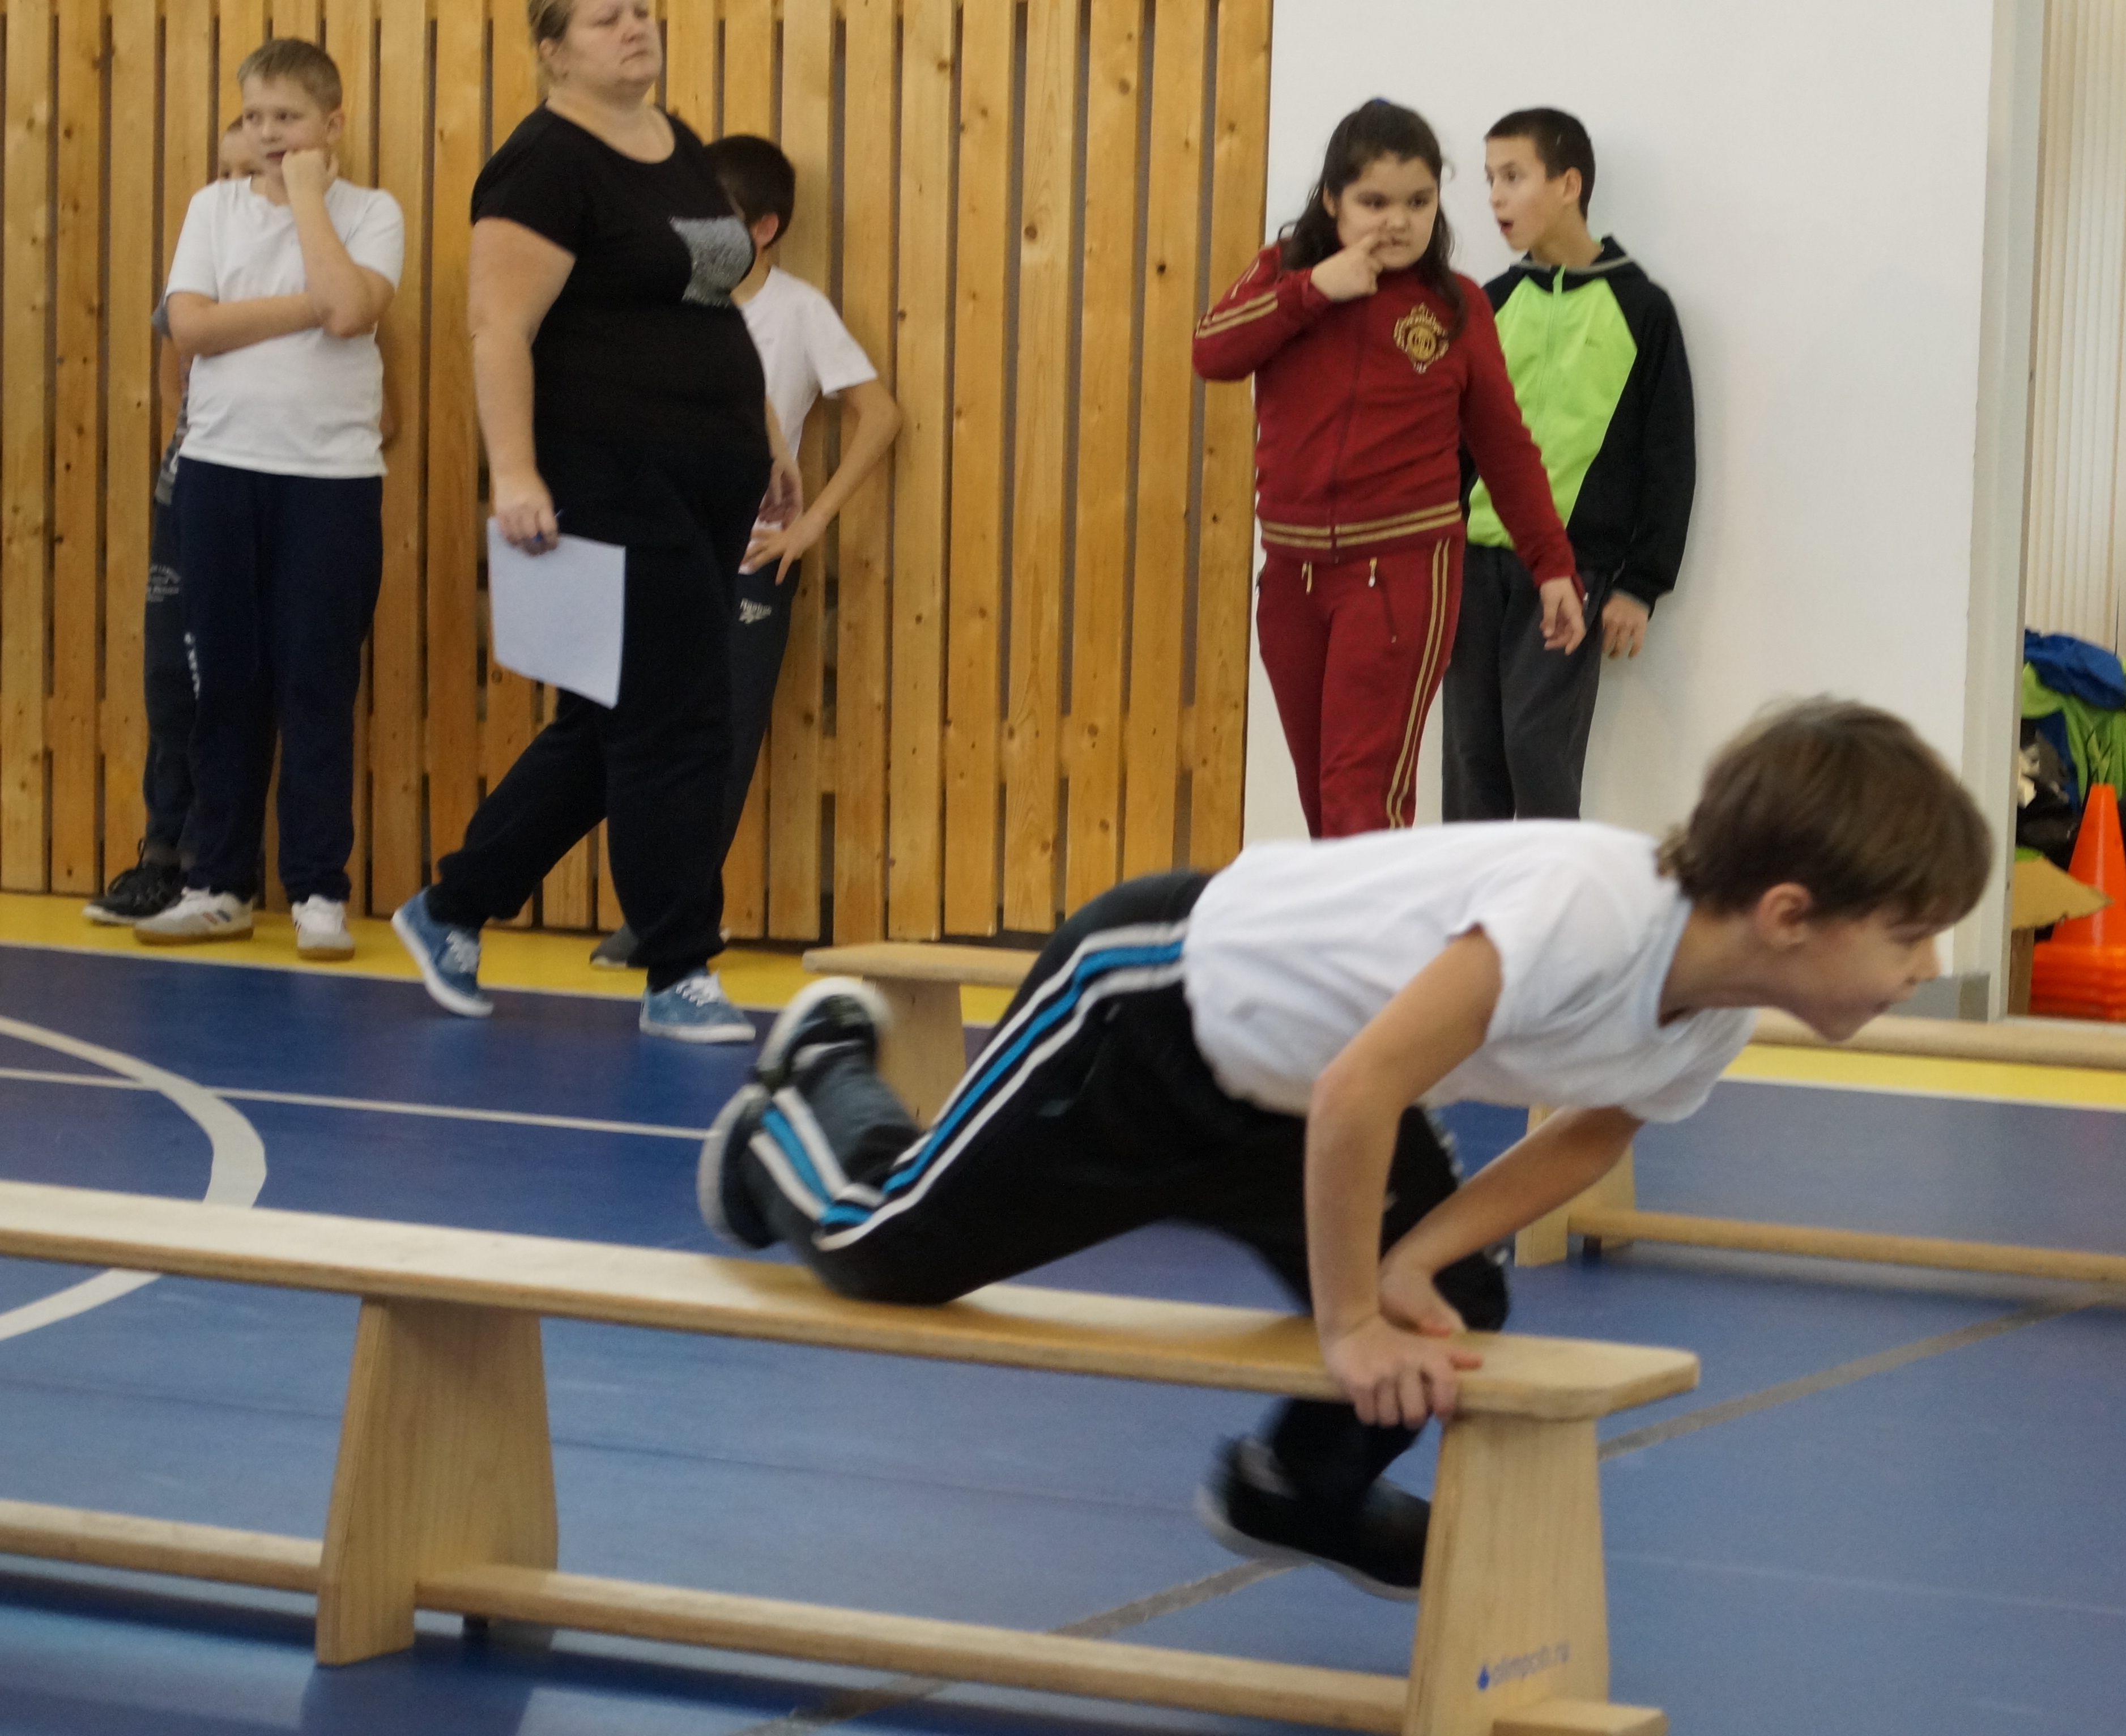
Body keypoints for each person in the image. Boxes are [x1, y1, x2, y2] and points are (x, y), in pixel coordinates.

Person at [696, 699, 1989, 1595]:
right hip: (1153, 1013)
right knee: (887, 1247)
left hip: (1293, 1106)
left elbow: (1587, 1135)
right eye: (1909, 932)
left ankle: (1290, 1485)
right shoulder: (1590, 909)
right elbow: (1366, 1084)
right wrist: (1349, 1320)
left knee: (1455, 1293)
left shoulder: (1712, 1017)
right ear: (1788, 912)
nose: (1929, 965)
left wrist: (1410, 1262)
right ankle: (799, 1098)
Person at [391, 0, 799, 1043]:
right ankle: (677, 967)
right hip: (611, 476)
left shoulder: (679, 143)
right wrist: (515, 471)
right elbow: (497, 325)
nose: (635, 27)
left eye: (643, 11)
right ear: (552, 50)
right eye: (606, 17)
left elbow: (714, 300)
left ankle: (452, 905)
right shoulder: (543, 163)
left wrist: (770, 439)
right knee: (682, 718)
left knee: (609, 721)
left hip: (713, 470)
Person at [1194, 99, 1586, 837]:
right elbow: (1211, 351)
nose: (1398, 222)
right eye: (1375, 202)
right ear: (1332, 200)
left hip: (1401, 573)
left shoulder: (1454, 305)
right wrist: (1314, 291)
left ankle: (1377, 921)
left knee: (1361, 803)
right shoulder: (1285, 274)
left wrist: (1552, 565)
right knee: (1325, 808)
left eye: (1419, 201)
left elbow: (1505, 450)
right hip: (1291, 575)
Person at [587, 132, 901, 971]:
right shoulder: (667, 300)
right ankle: (673, 911)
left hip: (748, 562)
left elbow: (880, 414)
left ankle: (672, 918)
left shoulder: (799, 311)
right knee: (648, 737)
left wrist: (811, 523)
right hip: (658, 552)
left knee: (721, 744)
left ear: (763, 229)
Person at [139, 46, 402, 959]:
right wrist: (309, 305)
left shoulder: (372, 213)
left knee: (316, 684)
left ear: (332, 125)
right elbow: (192, 326)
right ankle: (218, 882)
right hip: (220, 470)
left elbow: (353, 311)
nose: (266, 134)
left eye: (286, 118)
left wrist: (307, 201)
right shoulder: (211, 208)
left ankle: (319, 891)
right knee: (227, 685)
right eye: (254, 117)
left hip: (332, 482)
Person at [1439, 107, 1696, 823]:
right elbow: (1451, 443)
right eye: (1490, 178)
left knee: (1536, 750)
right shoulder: (1487, 305)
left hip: (1572, 572)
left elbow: (1669, 457)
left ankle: (1550, 894)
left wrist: (1641, 584)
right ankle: (1471, 897)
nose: (1494, 196)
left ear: (1567, 185)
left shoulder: (1642, 309)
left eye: (1512, 176)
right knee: (1470, 758)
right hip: (1471, 568)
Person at [87, 120, 262, 928]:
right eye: (223, 171)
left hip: (273, 492)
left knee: (240, 684)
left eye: (248, 173)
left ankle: (212, 861)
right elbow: (175, 385)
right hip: (189, 492)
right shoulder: (194, 273)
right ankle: (163, 853)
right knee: (172, 679)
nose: (232, 187)